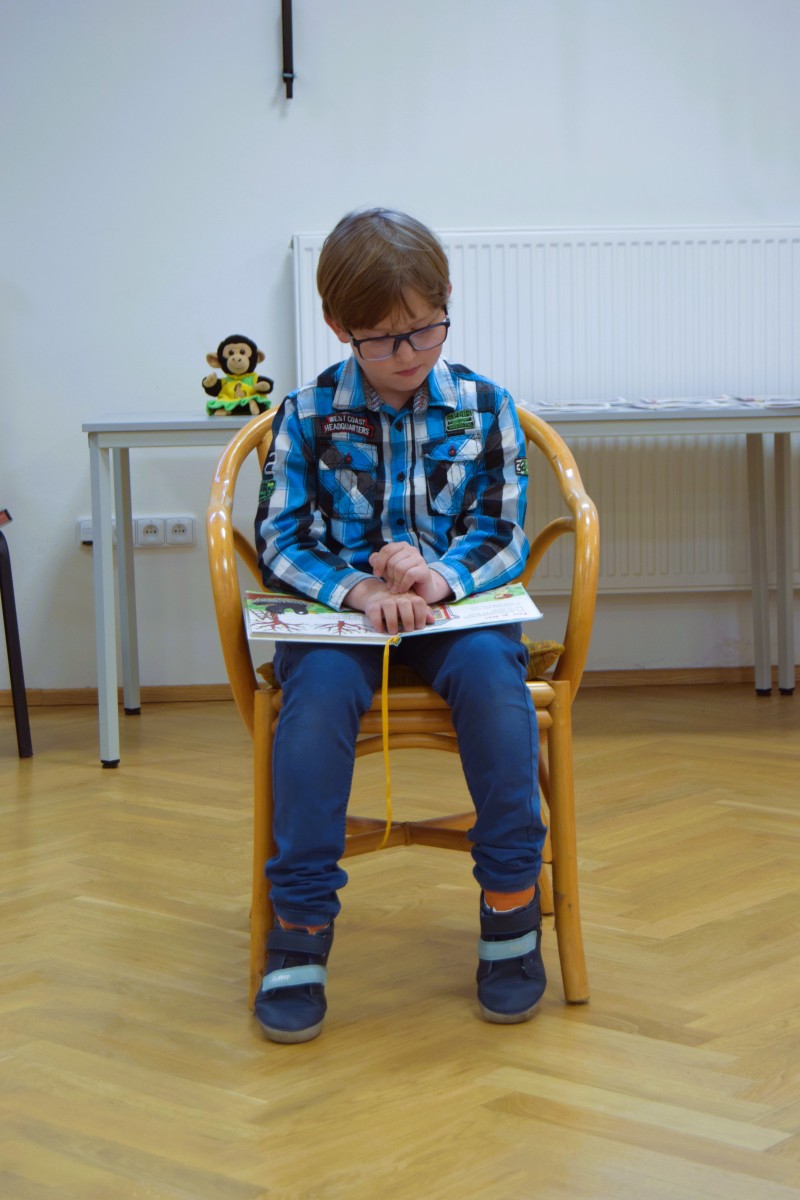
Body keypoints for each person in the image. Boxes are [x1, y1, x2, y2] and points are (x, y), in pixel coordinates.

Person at [254, 207, 547, 1043]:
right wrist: (357, 589)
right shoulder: (307, 412)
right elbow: (281, 538)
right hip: (343, 623)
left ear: (446, 302)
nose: (410, 353)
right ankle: (300, 924)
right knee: (313, 708)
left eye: (426, 328)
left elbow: (504, 531)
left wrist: (437, 578)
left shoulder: (485, 406)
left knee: (496, 691)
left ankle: (511, 902)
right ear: (337, 326)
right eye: (383, 340)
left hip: (455, 615)